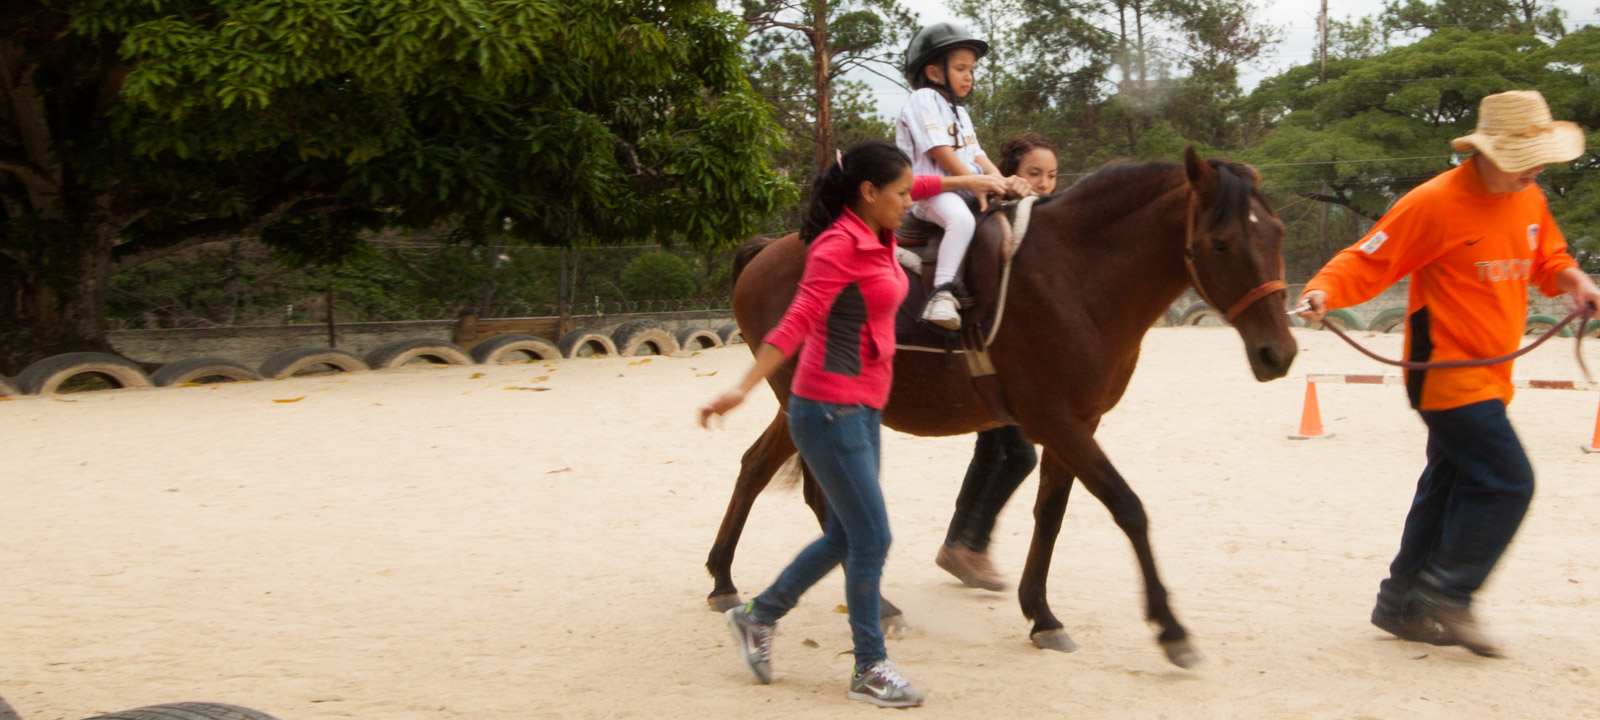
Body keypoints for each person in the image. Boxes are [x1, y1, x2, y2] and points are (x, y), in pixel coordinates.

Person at [699, 141, 1004, 708]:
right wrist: (740, 388)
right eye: (900, 193)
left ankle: (757, 616)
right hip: (825, 407)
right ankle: (869, 665)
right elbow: (795, 323)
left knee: (845, 534)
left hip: (865, 407)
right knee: (873, 537)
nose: (911, 200)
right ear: (868, 194)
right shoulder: (838, 246)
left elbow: (930, 188)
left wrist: (977, 184)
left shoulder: (882, 226)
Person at [1296, 89, 1600, 657]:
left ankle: (1400, 605)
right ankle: (1449, 594)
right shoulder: (1435, 202)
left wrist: (1575, 281)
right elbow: (1369, 256)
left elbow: (1548, 259)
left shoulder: (1527, 197)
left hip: (1493, 374)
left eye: (1540, 157)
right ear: (1487, 152)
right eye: (1525, 158)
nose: (1535, 169)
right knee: (1509, 482)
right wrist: (1323, 291)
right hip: (1444, 372)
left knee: (1449, 485)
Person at [935, 133, 1059, 591]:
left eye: (1050, 176)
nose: (1043, 184)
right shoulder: (1000, 218)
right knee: (1018, 454)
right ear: (1011, 174)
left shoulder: (1039, 223)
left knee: (999, 450)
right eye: (1033, 174)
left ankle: (961, 545)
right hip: (999, 360)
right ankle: (968, 545)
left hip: (1011, 363)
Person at [895, 22, 1031, 330]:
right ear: (933, 72)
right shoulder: (924, 100)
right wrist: (972, 181)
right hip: (930, 192)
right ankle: (941, 295)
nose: (969, 76)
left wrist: (1001, 179)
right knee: (962, 220)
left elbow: (978, 156)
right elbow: (939, 150)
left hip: (962, 189)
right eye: (960, 68)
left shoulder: (960, 113)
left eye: (971, 69)